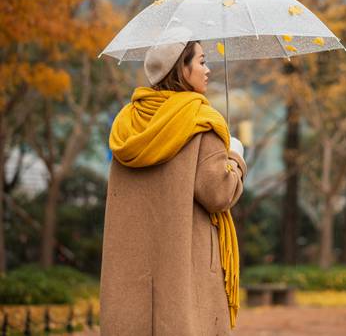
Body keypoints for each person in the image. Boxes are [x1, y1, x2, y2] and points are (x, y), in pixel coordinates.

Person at [99, 36, 247, 336]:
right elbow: (218, 194)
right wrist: (236, 156)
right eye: (202, 61)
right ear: (183, 68)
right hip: (185, 270)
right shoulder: (200, 122)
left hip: (132, 275)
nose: (208, 70)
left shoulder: (128, 123)